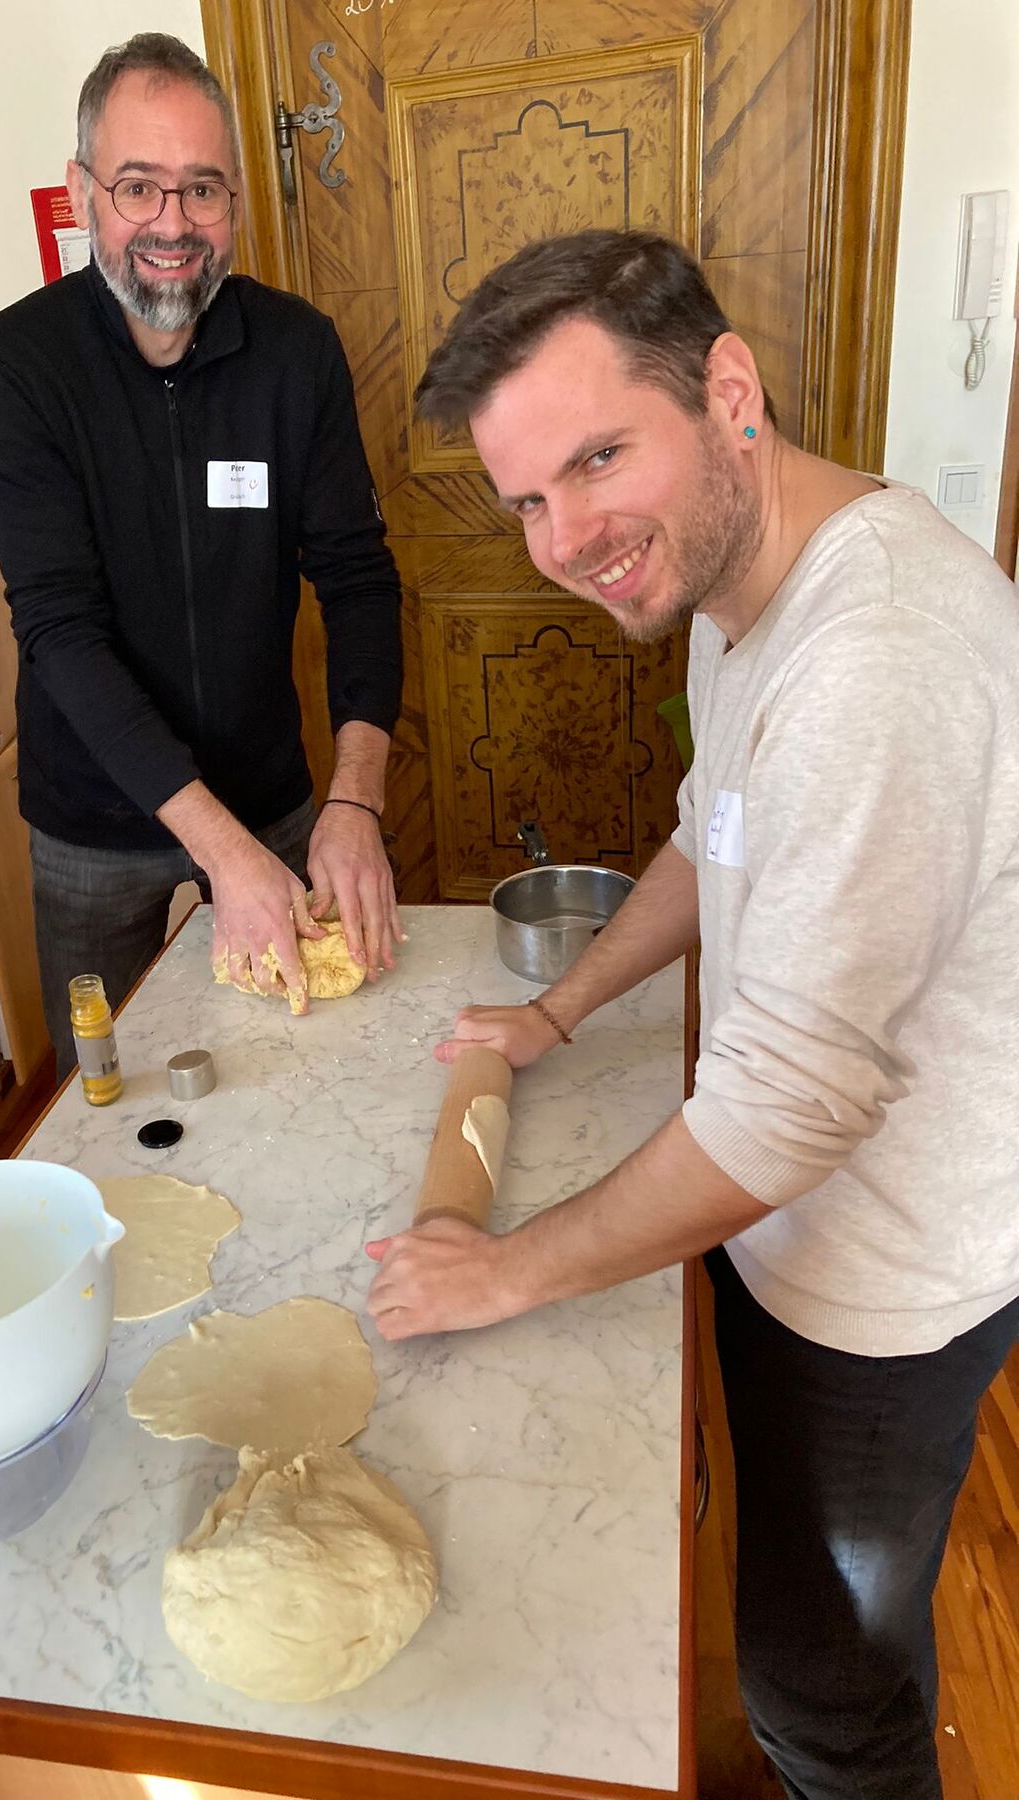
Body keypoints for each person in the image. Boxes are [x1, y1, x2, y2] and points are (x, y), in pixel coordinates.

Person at [365, 230, 1019, 1800]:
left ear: (727, 390)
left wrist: (504, 1270)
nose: (565, 538)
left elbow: (789, 1105)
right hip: (786, 1228)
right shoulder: (750, 583)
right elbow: (704, 830)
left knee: (824, 1691)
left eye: (598, 459)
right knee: (783, 1620)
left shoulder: (875, 658)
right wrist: (560, 1009)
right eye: (527, 499)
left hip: (883, 1278)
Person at [0, 35, 403, 1070]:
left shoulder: (297, 353)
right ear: (82, 191)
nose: (173, 224)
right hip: (91, 814)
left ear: (234, 200)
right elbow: (59, 628)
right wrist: (219, 848)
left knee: (309, 1061)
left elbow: (357, 578)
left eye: (201, 189)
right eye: (138, 187)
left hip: (271, 790)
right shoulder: (16, 366)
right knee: (103, 1085)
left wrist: (356, 798)